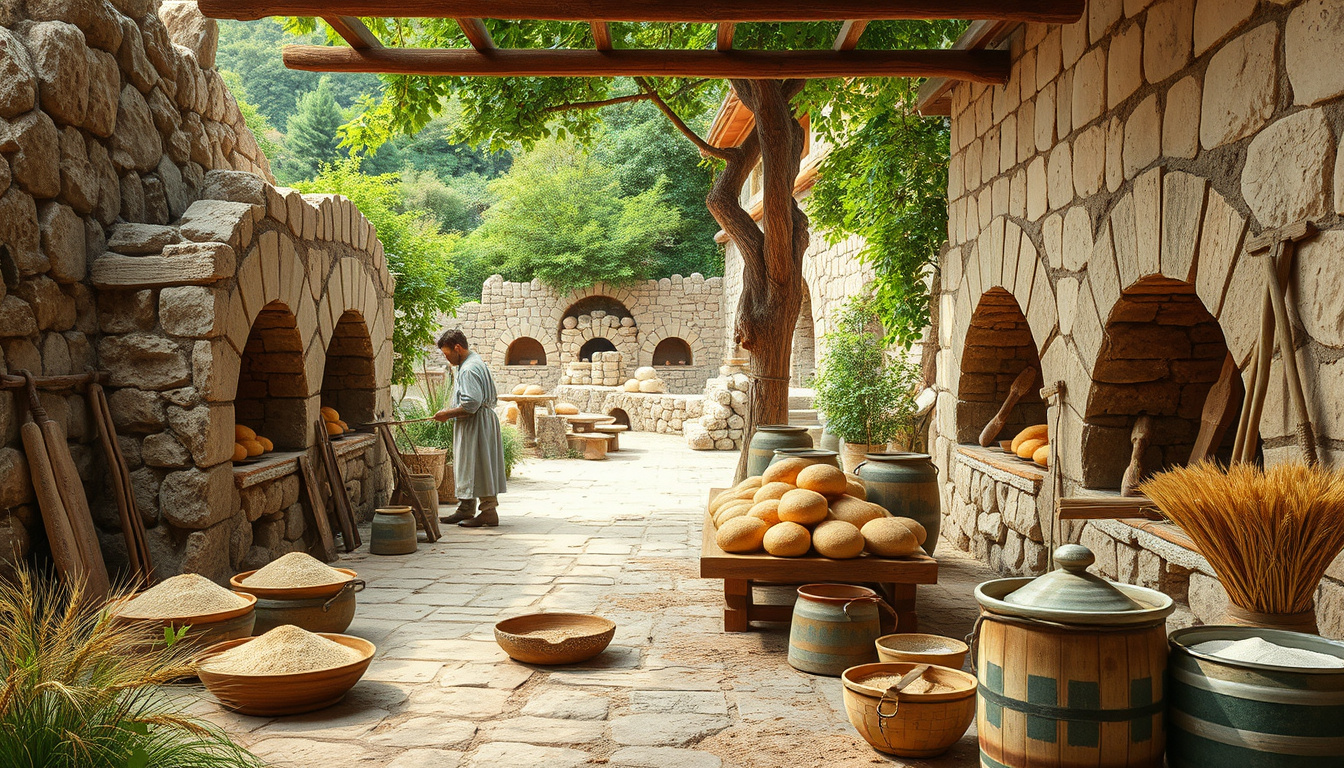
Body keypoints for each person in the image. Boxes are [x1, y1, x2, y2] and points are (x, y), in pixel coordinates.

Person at [433, 329, 507, 527]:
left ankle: (488, 512)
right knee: (471, 464)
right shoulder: (475, 362)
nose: (448, 359)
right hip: (481, 422)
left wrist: (446, 414)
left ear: (458, 348)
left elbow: (471, 404)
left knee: (480, 464)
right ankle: (466, 508)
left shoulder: (468, 369)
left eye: (447, 354)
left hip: (476, 424)